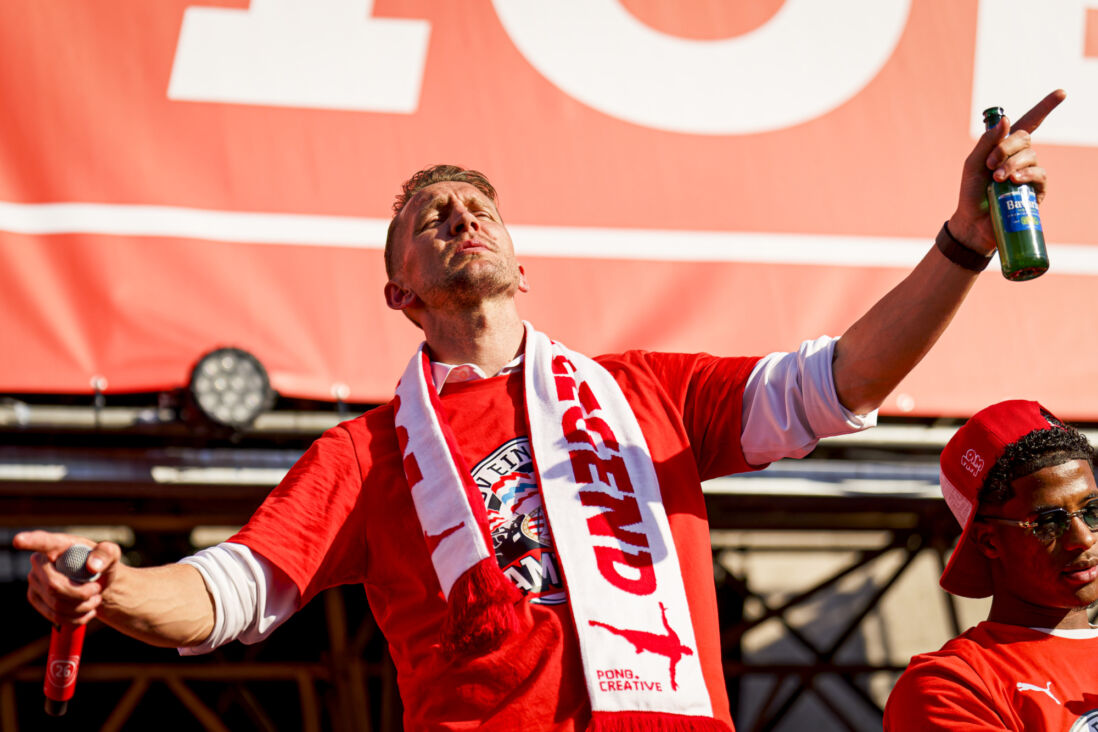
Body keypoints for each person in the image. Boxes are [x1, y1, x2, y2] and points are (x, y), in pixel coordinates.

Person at [16, 90, 1065, 732]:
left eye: (479, 207)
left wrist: (965, 243)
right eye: (430, 217)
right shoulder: (367, 453)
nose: (460, 216)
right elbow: (229, 594)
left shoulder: (647, 392)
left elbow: (843, 383)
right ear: (400, 294)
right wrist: (112, 590)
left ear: (523, 266)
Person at [883, 400, 1098, 730]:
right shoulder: (951, 686)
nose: (1082, 538)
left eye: (1093, 511)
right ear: (988, 541)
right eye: (1049, 522)